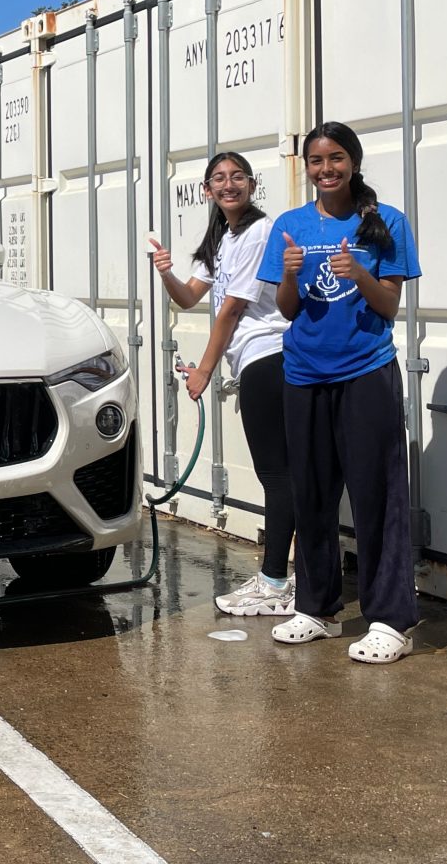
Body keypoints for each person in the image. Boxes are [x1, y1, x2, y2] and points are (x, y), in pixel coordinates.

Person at [257, 122, 422, 664]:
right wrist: (288, 275)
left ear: (353, 161)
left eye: (335, 158)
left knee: (376, 497)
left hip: (366, 373)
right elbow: (287, 310)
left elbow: (389, 306)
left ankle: (391, 620)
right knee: (311, 496)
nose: (325, 169)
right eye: (316, 161)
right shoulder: (291, 226)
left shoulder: (386, 221)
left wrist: (358, 273)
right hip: (303, 374)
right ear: (306, 167)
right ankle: (318, 608)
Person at [150, 152, 292, 615]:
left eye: (237, 177)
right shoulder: (223, 237)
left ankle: (275, 582)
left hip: (269, 357)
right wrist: (166, 272)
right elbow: (189, 297)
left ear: (252, 184)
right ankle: (282, 578)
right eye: (219, 179)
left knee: (277, 475)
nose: (229, 185)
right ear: (207, 190)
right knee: (281, 474)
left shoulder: (258, 232)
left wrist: (205, 371)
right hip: (254, 361)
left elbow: (232, 309)